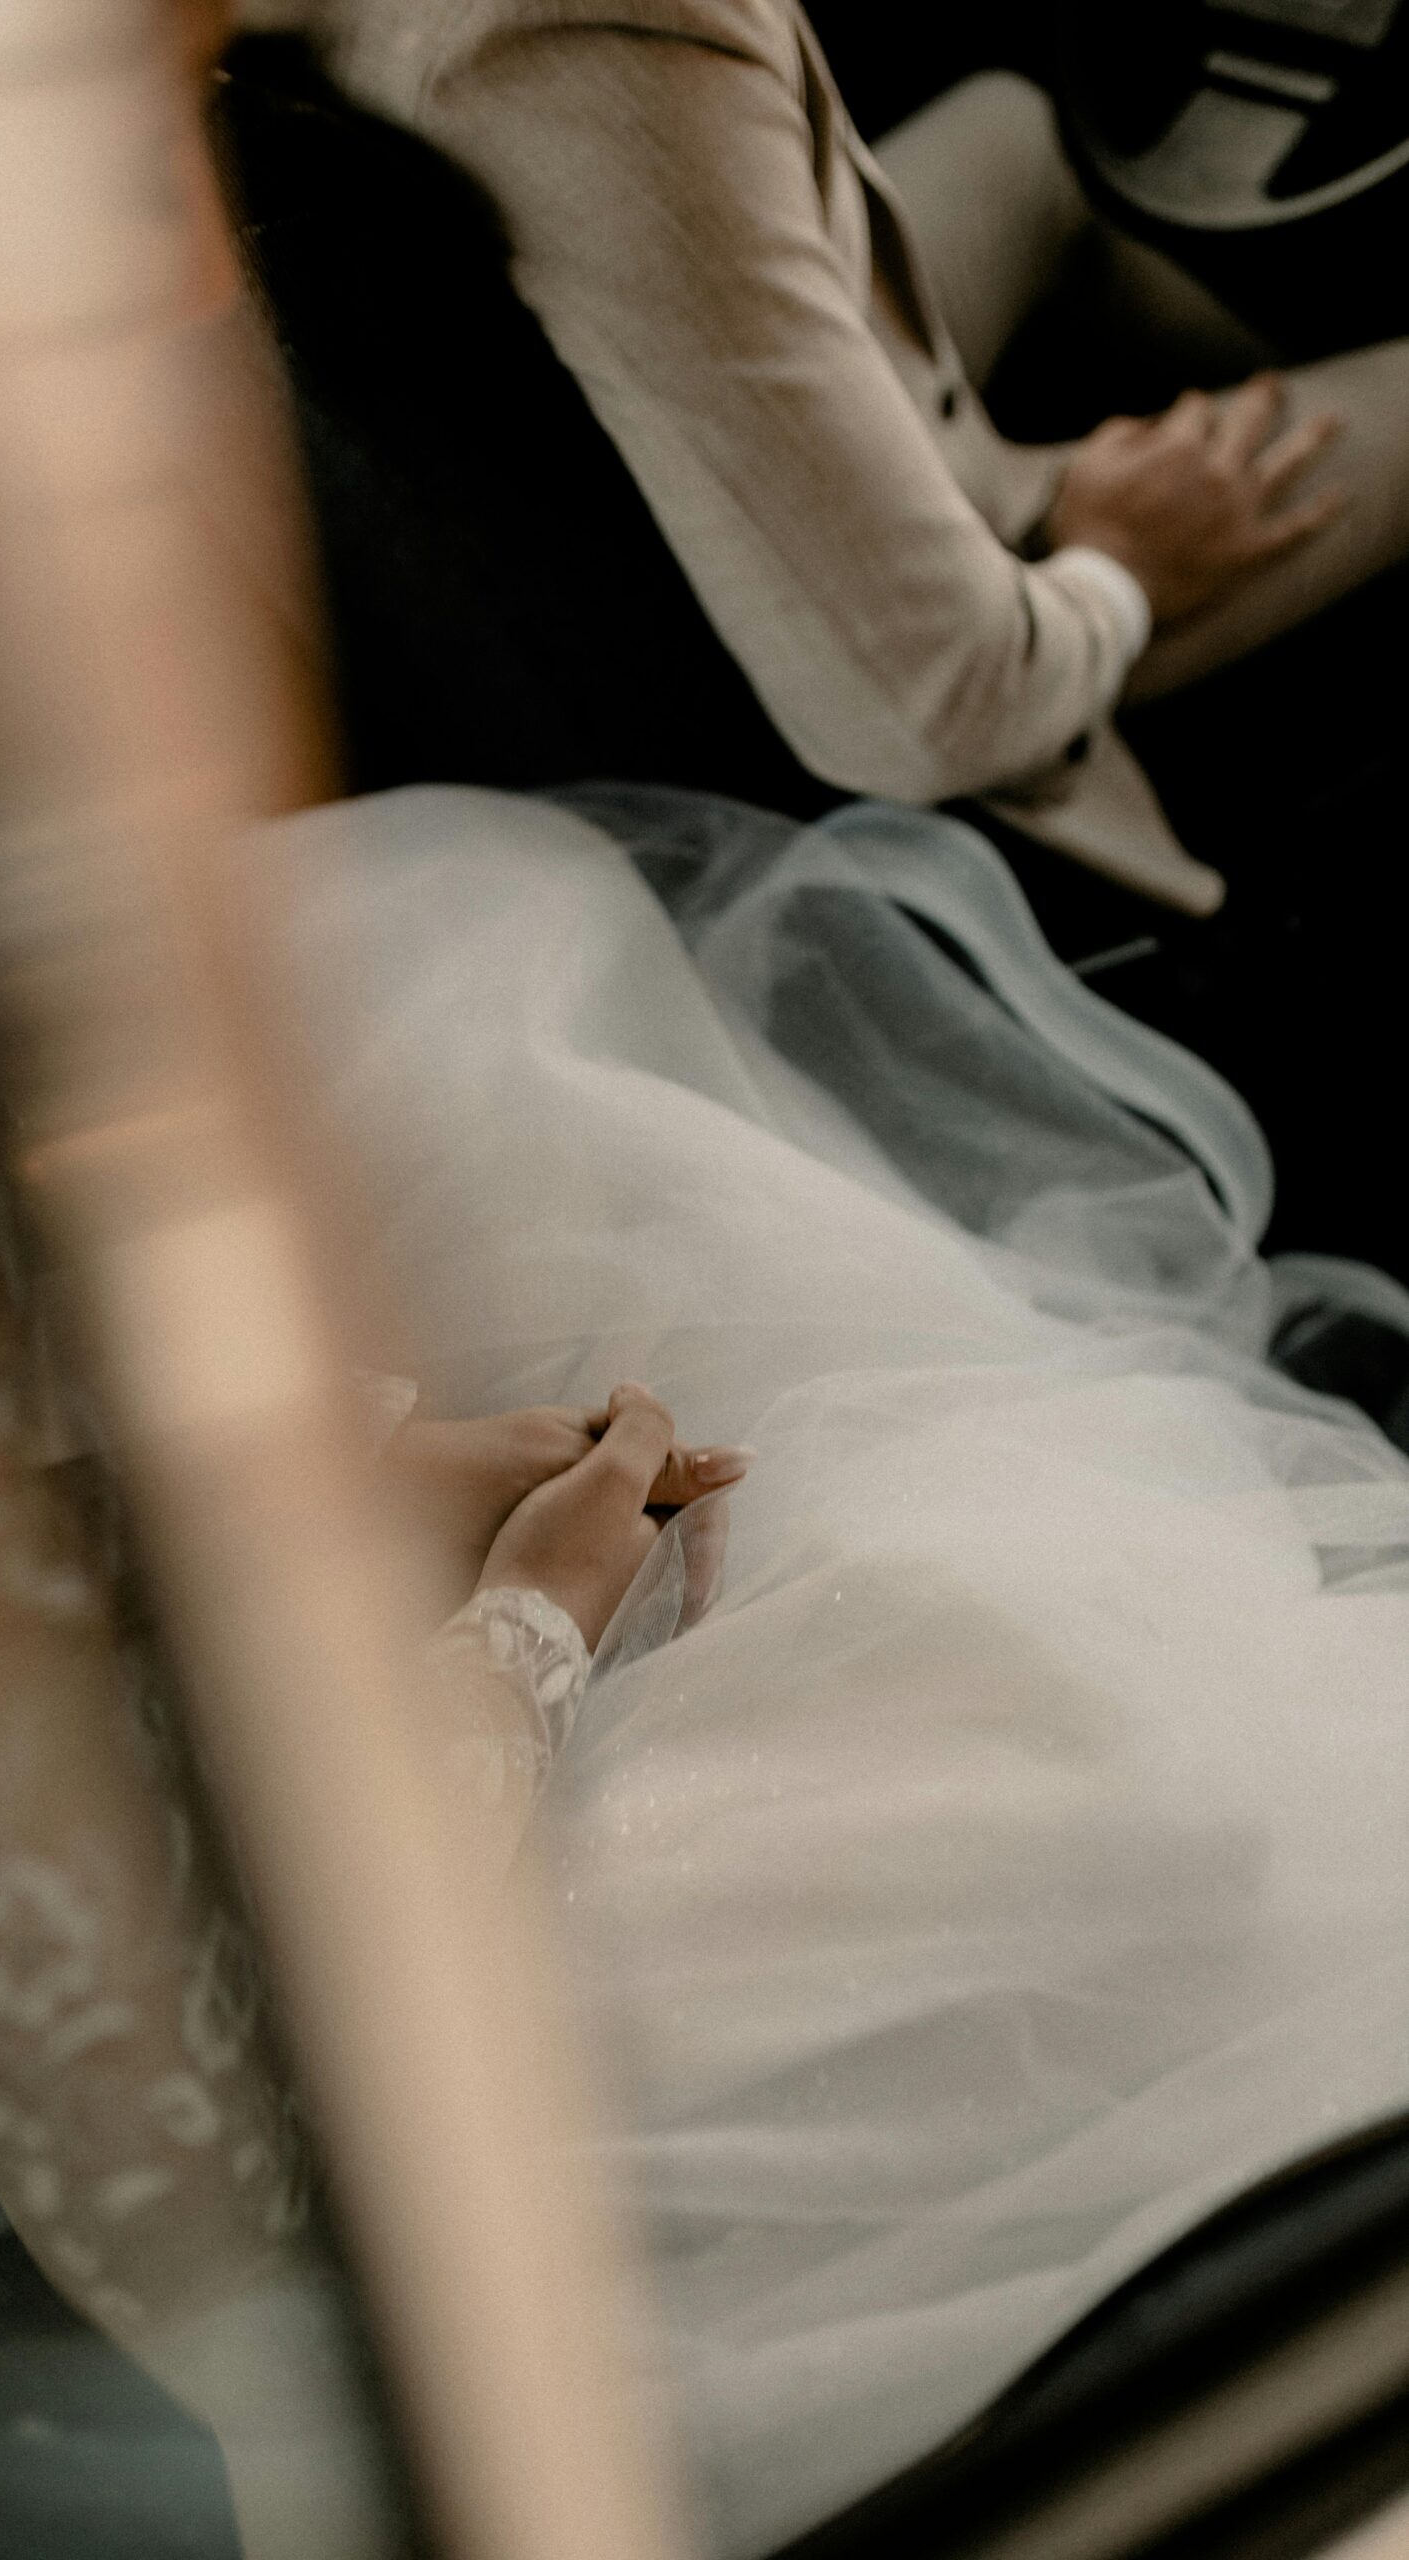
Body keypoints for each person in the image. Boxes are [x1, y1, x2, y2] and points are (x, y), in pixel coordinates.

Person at [278, 776, 1409, 2559]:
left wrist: (399, 1459)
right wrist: (537, 1613)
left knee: (1017, 1633)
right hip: (335, 1948)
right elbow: (308, 1955)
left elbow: (61, 1444)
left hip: (331, 1694)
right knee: (1054, 1757)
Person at [286, 1, 1409, 921]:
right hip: (891, 657)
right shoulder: (601, 37)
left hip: (587, 422)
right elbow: (929, 711)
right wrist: (1119, 568)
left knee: (1018, 135)